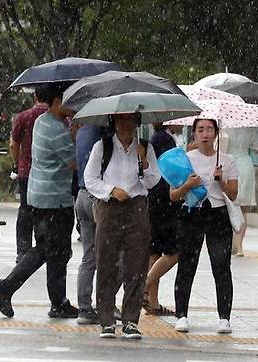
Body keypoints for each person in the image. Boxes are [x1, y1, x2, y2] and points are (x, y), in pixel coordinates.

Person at [0, 83, 79, 319]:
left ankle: (49, 299)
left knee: (46, 249)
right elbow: (74, 163)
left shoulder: (42, 122)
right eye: (69, 100)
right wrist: (77, 135)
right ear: (58, 101)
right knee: (56, 251)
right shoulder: (57, 129)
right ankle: (11, 288)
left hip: (38, 195)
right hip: (55, 200)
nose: (73, 105)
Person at [84, 113, 160, 339]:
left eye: (130, 119)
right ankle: (106, 320)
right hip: (110, 207)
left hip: (137, 208)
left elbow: (153, 180)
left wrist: (144, 164)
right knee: (106, 262)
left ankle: (130, 321)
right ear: (113, 121)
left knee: (136, 265)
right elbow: (90, 179)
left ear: (137, 122)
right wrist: (110, 190)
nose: (125, 125)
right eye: (120, 119)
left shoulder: (145, 147)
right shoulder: (103, 146)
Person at [170, 118, 238, 334]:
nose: (205, 134)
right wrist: (188, 184)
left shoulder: (227, 160)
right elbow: (173, 195)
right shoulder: (185, 159)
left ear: (217, 132)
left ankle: (224, 317)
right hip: (192, 214)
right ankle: (181, 315)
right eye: (201, 129)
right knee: (187, 265)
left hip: (218, 215)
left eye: (210, 129)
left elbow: (234, 193)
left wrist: (221, 181)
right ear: (194, 133)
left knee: (221, 265)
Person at [143, 122, 182, 315]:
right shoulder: (164, 139)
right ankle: (145, 287)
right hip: (165, 202)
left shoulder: (158, 138)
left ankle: (152, 301)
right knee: (174, 251)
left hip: (157, 201)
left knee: (155, 250)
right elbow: (172, 171)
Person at [9, 86, 49, 263]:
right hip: (48, 173)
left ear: (35, 97)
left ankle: (23, 250)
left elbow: (13, 144)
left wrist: (17, 164)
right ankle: (43, 246)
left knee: (25, 209)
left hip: (26, 171)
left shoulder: (23, 117)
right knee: (44, 210)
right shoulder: (56, 118)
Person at [74, 124, 109, 325]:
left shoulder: (82, 131)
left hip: (82, 195)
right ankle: (107, 304)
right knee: (113, 255)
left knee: (89, 257)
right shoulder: (105, 134)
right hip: (99, 198)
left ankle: (84, 308)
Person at [224, 127, 258, 257]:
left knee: (229, 204)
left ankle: (230, 242)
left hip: (230, 163)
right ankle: (239, 246)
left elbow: (221, 147)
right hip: (245, 163)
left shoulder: (225, 127)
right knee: (243, 208)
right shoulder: (251, 128)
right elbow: (256, 148)